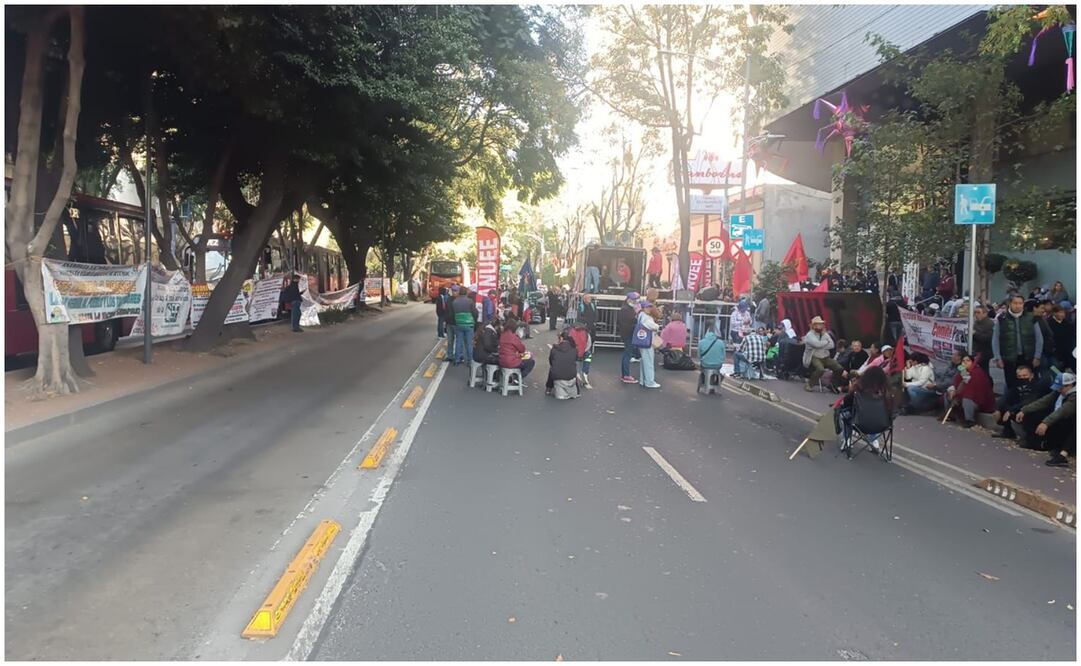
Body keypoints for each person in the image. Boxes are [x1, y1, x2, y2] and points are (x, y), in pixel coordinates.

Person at [1017, 372, 1076, 466]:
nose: (1059, 390)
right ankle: (1038, 442)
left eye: (1061, 388)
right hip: (1059, 420)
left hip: (1070, 422)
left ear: (1069, 386)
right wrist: (1025, 410)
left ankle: (1063, 455)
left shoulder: (1075, 396)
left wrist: (1046, 423)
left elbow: (1063, 410)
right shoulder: (1059, 392)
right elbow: (1044, 401)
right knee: (1033, 415)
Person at [837, 366, 894, 454]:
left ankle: (847, 439)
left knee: (846, 414)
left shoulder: (858, 389)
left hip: (859, 423)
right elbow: (893, 411)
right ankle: (874, 441)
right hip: (882, 425)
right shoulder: (887, 392)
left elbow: (847, 403)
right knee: (874, 416)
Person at [992, 294, 1044, 392]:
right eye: (1015, 303)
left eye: (1020, 303)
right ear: (1010, 304)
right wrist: (997, 358)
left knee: (1030, 385)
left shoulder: (1031, 318)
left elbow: (1039, 338)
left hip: (1028, 357)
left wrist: (1037, 356)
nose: (1018, 306)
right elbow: (995, 339)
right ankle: (1012, 405)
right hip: (1009, 359)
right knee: (1012, 386)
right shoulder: (1002, 319)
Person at [991, 364, 1048, 443]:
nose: (1022, 378)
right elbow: (1007, 396)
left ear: (1031, 375)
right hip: (1018, 408)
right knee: (1003, 406)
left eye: (1025, 375)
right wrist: (997, 408)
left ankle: (1029, 438)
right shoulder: (1016, 384)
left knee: (1029, 414)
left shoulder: (1037, 385)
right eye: (1019, 376)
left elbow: (1029, 401)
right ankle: (1008, 432)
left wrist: (1011, 410)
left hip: (1032, 409)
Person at [946, 352, 995, 428]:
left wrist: (958, 396)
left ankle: (970, 420)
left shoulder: (977, 372)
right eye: (963, 361)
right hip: (962, 395)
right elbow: (956, 383)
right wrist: (952, 391)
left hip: (977, 399)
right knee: (948, 394)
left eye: (968, 360)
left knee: (967, 400)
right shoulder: (963, 371)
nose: (965, 362)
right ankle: (951, 415)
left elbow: (974, 391)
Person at [802, 316, 842, 391]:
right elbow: (816, 344)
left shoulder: (825, 334)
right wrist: (826, 342)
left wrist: (821, 344)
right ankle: (810, 384)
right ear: (814, 326)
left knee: (839, 368)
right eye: (818, 324)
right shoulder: (809, 335)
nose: (821, 326)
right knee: (820, 369)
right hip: (814, 357)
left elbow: (832, 345)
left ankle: (832, 384)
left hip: (825, 357)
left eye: (821, 324)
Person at [634, 301, 662, 389]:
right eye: (647, 307)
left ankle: (643, 380)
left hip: (642, 340)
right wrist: (657, 326)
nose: (649, 309)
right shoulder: (646, 317)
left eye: (650, 307)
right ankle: (650, 381)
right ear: (643, 308)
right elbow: (653, 326)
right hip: (647, 341)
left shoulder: (641, 315)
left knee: (644, 361)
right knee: (649, 361)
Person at [546, 328, 580, 398]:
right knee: (572, 367)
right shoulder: (574, 349)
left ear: (561, 338)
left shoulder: (554, 349)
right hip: (571, 375)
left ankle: (548, 388)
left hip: (558, 375)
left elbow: (551, 361)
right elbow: (576, 359)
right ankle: (578, 391)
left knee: (553, 368)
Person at [617, 292, 641, 384]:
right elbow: (627, 323)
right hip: (628, 334)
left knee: (627, 354)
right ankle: (626, 375)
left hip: (627, 333)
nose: (635, 302)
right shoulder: (626, 310)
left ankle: (625, 375)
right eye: (634, 300)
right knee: (627, 354)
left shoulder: (626, 308)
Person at [450, 287, 476, 366]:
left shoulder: (455, 302)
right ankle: (470, 361)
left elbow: (453, 313)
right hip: (469, 324)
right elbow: (474, 312)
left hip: (459, 324)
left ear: (459, 293)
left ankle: (457, 360)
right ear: (466, 293)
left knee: (458, 342)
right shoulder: (470, 301)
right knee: (469, 343)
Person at [1048, 304, 1076, 371]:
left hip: (1068, 348)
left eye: (1063, 312)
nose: (1062, 314)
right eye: (1060, 312)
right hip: (1057, 350)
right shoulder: (1049, 323)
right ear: (1054, 313)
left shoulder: (1067, 323)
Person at [971, 305, 995, 374]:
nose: (976, 314)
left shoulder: (989, 324)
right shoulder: (976, 323)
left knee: (983, 371)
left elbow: (988, 338)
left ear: (985, 314)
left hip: (984, 352)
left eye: (978, 312)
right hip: (976, 350)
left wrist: (975, 334)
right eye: (975, 312)